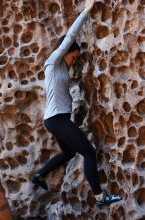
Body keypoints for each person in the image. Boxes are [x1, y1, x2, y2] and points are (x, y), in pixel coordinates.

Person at [31, 0, 123, 207]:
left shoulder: (60, 69)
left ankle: (40, 176)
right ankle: (100, 197)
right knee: (89, 153)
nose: (75, 59)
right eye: (74, 55)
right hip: (57, 120)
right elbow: (70, 36)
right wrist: (86, 12)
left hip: (56, 119)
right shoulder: (54, 62)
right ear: (66, 52)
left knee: (69, 152)